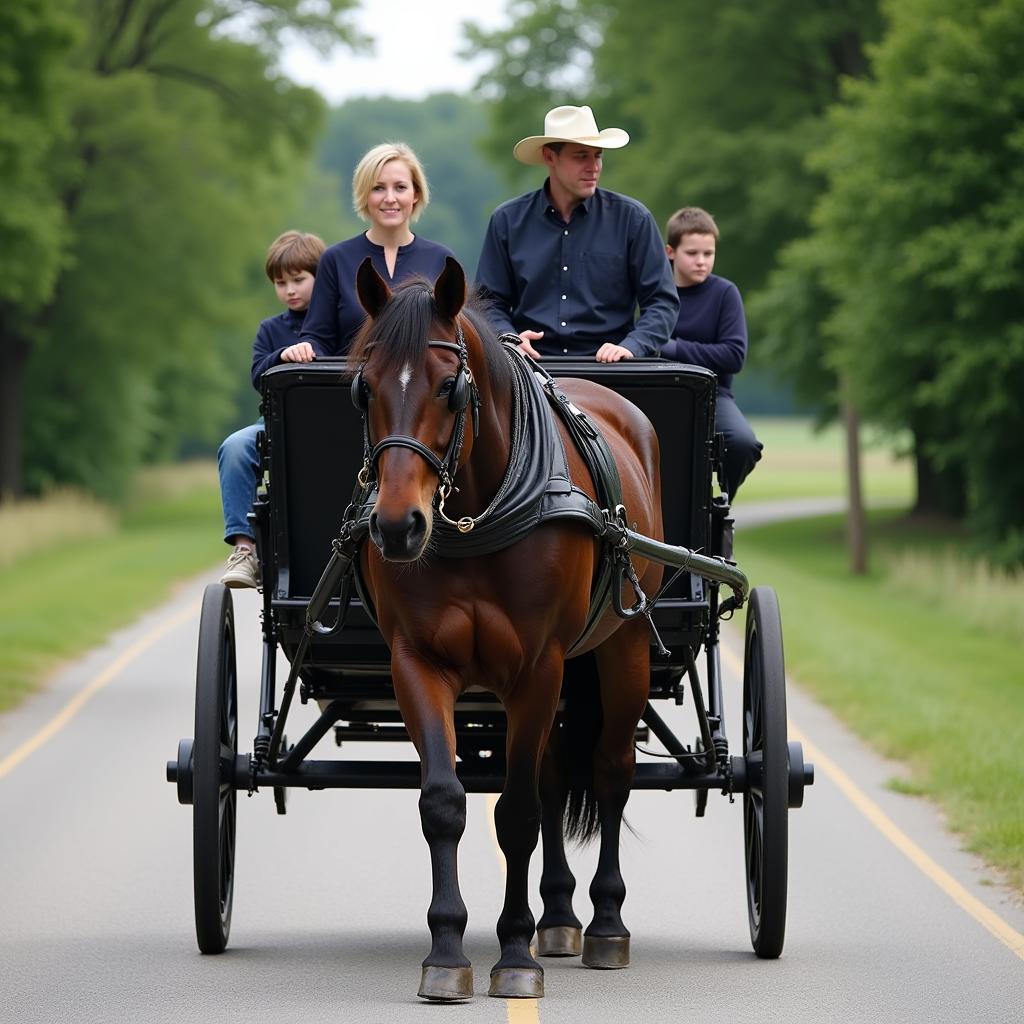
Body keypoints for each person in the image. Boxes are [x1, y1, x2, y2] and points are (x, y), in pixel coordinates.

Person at [475, 104, 677, 363]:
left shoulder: (633, 219)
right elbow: (487, 302)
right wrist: (509, 338)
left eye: (598, 155)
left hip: (616, 370)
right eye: (581, 156)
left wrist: (633, 346)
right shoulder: (507, 221)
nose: (594, 166)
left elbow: (662, 301)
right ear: (550, 157)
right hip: (531, 367)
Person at [219, 230, 326, 588]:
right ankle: (245, 549)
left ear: (320, 277)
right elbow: (256, 377)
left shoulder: (339, 324)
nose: (289, 290)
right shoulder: (270, 330)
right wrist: (282, 356)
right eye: (281, 283)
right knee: (235, 446)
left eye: (298, 280)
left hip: (336, 426)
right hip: (276, 426)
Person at [298, 142, 455, 356]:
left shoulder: (442, 259)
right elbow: (317, 337)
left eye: (400, 187)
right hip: (346, 387)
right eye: (378, 188)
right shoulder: (335, 259)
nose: (390, 198)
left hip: (425, 389)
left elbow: (454, 338)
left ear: (415, 194)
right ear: (365, 194)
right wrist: (307, 348)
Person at [662, 206, 762, 503]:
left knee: (743, 444)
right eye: (692, 253)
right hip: (659, 391)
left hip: (713, 396)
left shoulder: (724, 293)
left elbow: (733, 356)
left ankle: (718, 507)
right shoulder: (654, 292)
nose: (702, 262)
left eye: (709, 254)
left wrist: (674, 348)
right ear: (671, 252)